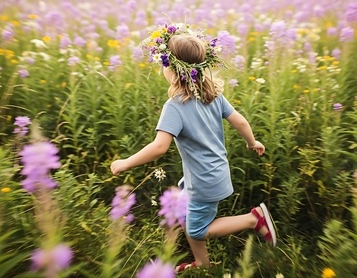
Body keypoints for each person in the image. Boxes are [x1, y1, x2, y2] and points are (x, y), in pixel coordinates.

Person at [110, 27, 276, 273]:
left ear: (173, 70)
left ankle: (254, 219)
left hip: (203, 179)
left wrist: (125, 162)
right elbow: (240, 121)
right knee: (185, 211)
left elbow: (159, 147)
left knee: (197, 229)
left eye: (164, 64)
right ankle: (202, 264)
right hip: (213, 171)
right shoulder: (213, 94)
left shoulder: (174, 106)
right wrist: (252, 142)